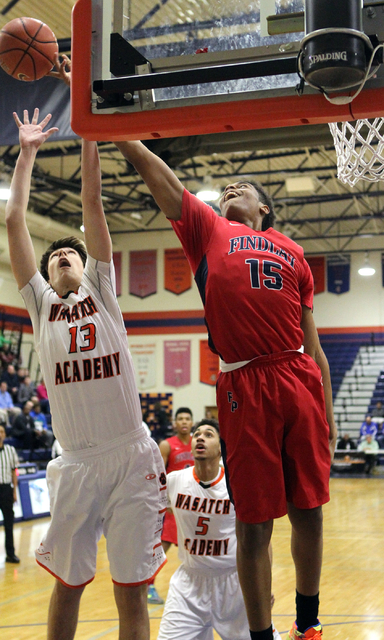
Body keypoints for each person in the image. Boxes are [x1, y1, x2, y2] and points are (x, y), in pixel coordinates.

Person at [116, 138, 337, 640]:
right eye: (225, 188)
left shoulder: (294, 251)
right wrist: (121, 137)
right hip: (241, 380)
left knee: (309, 508)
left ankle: (309, 620)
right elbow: (166, 183)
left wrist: (327, 413)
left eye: (244, 187)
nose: (231, 187)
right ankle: (261, 635)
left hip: (296, 374)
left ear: (265, 208)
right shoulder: (208, 229)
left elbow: (316, 347)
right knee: (254, 521)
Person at [5, 108, 166, 640]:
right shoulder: (40, 305)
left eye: (72, 252)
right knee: (67, 587)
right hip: (75, 463)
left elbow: (91, 203)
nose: (65, 257)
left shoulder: (103, 291)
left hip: (130, 453)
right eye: (57, 259)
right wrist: (26, 153)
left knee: (130, 594)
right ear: (47, 277)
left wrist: (90, 131)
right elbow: (13, 221)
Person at [158, 418, 281, 640]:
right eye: (197, 435)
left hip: (236, 583)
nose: (200, 438)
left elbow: (263, 541)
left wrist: (264, 584)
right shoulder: (174, 481)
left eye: (208, 434)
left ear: (221, 447)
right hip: (189, 584)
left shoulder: (238, 484)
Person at [148, 406, 194, 604]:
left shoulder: (199, 442)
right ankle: (148, 585)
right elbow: (159, 475)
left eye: (187, 419)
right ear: (175, 423)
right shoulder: (166, 445)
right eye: (180, 419)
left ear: (192, 422)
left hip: (194, 505)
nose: (184, 422)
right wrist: (164, 501)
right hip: (173, 505)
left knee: (196, 549)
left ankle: (194, 589)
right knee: (162, 547)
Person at [0, 423, 20, 563]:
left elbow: (14, 471)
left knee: (8, 523)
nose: (0, 434)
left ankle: (10, 554)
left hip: (6, 489)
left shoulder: (10, 450)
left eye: (1, 431)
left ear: (5, 434)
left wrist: (14, 491)